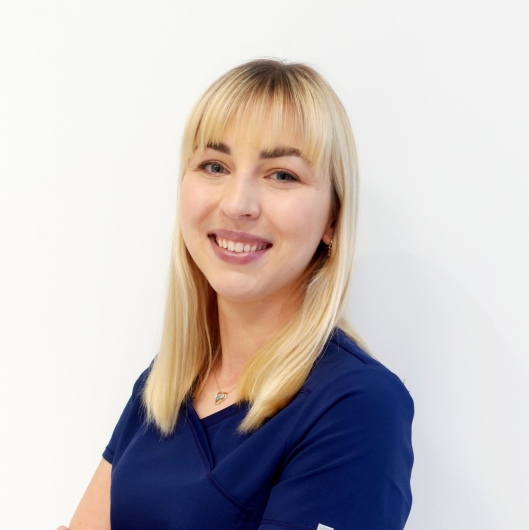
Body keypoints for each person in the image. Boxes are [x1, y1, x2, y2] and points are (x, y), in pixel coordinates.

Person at [58, 59, 414, 530]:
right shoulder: (165, 384)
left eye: (281, 175)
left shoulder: (358, 407)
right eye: (215, 166)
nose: (237, 204)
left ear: (332, 219)